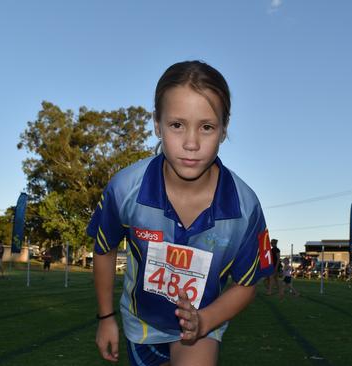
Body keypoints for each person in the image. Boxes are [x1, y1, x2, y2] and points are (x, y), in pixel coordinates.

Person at [88, 61, 275, 365]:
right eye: (177, 125)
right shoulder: (125, 188)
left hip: (202, 327)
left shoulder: (245, 207)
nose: (191, 143)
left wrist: (203, 320)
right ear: (156, 124)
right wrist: (106, 317)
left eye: (207, 127)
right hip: (142, 327)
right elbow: (104, 248)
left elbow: (245, 283)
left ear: (224, 129)